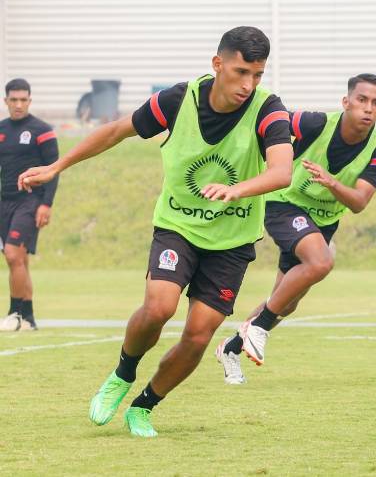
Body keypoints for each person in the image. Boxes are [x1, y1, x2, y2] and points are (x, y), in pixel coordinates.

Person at [18, 26, 293, 437]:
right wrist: (57, 167)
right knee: (159, 307)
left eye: (257, 74)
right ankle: (122, 374)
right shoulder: (177, 100)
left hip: (231, 241)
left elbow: (282, 171)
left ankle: (143, 407)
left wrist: (238, 190)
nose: (248, 84)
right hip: (178, 227)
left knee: (199, 336)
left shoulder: (269, 109)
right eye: (240, 72)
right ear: (218, 64)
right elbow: (115, 131)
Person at [215, 73, 376, 384]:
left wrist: (331, 182)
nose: (367, 108)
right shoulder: (314, 124)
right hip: (284, 204)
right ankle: (258, 328)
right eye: (362, 100)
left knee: (286, 301)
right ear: (346, 102)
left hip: (323, 222)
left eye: (375, 103)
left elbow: (359, 201)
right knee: (321, 261)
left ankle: (231, 347)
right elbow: (270, 124)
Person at [0, 79, 58, 332]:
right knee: (19, 260)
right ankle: (29, 318)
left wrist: (46, 204)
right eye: (14, 100)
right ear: (6, 101)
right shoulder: (1, 130)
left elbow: (54, 170)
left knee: (13, 254)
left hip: (30, 201)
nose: (19, 104)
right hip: (6, 202)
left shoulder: (41, 129)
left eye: (24, 99)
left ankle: (14, 313)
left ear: (30, 100)